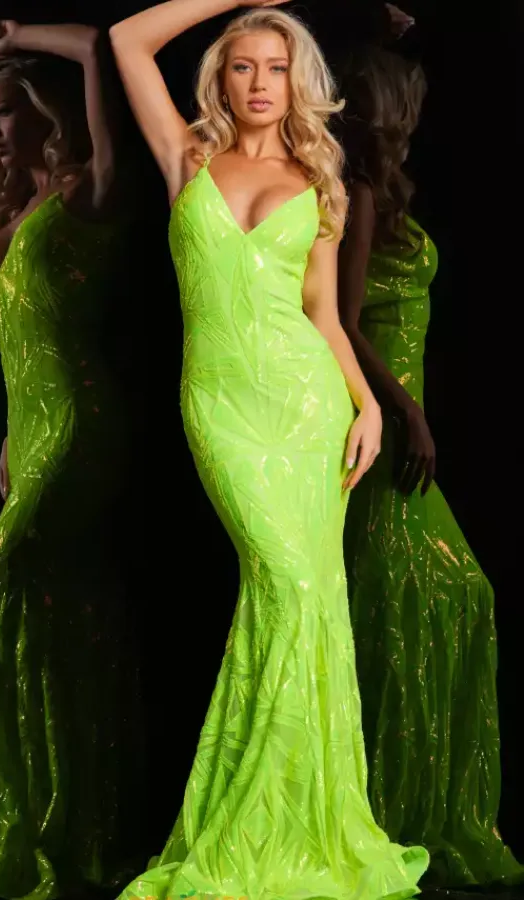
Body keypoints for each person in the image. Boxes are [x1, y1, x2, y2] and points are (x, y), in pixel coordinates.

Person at [109, 2, 429, 899]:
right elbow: (127, 40)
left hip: (308, 405)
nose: (259, 83)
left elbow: (322, 314)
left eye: (277, 67)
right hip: (222, 407)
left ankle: (290, 825)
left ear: (298, 83)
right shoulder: (185, 156)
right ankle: (250, 819)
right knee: (288, 587)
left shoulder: (320, 181)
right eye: (243, 65)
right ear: (220, 77)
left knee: (301, 597)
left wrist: (366, 405)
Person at [0, 20, 145, 900]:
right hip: (33, 430)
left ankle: (55, 821)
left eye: (6, 108)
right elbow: (19, 345)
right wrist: (13, 433)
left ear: (44, 113)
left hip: (84, 426)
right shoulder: (7, 213)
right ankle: (65, 816)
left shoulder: (88, 189)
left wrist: (17, 35)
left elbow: (97, 46)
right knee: (59, 617)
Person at [337, 46, 524, 889]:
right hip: (377, 424)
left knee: (428, 599)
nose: (409, 115)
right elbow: (341, 321)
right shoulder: (358, 192)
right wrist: (405, 412)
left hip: (400, 424)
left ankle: (407, 805)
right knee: (419, 595)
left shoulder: (384, 190)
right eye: (402, 100)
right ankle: (387, 809)